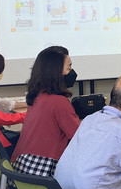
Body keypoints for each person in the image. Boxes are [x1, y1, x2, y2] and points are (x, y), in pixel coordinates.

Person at [10, 47, 80, 177]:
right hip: (44, 171)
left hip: (22, 169)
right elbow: (79, 137)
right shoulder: (58, 102)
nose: (71, 72)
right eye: (69, 68)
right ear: (56, 72)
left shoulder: (37, 96)